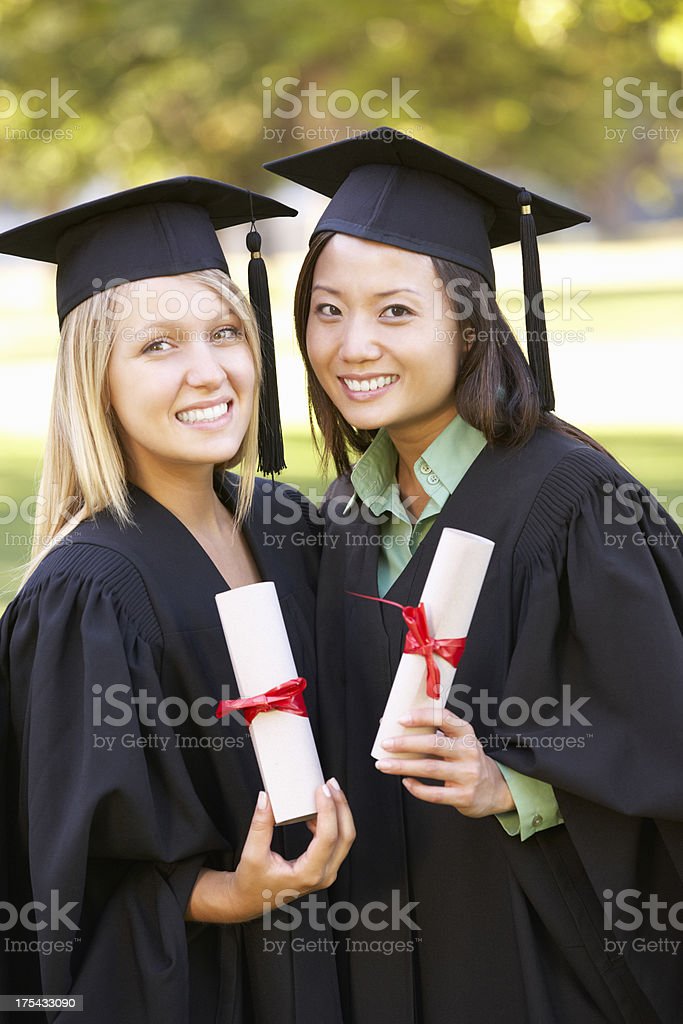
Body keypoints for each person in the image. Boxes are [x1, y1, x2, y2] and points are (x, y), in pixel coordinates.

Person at [265, 129, 683, 1023]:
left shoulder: (575, 506)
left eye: (394, 312)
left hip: (537, 965)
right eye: (327, 310)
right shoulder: (345, 515)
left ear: (470, 320)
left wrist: (515, 786)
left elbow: (666, 735)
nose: (350, 345)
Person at [0, 178, 355, 1023]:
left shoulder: (290, 528)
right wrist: (236, 892)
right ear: (98, 381)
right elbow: (60, 880)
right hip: (204, 991)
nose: (209, 370)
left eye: (226, 331)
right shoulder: (87, 593)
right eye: (157, 346)